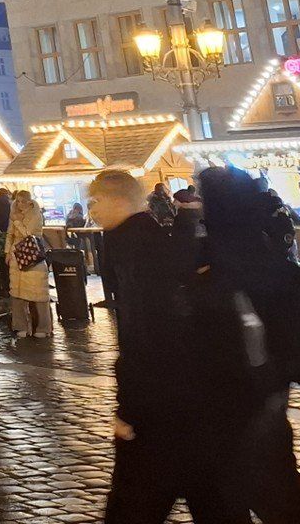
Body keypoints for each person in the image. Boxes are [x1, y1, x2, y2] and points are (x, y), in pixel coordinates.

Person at [89, 168, 236, 523]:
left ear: (119, 200)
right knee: (210, 497)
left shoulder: (136, 245)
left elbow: (147, 330)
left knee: (135, 505)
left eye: (95, 201)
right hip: (183, 400)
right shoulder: (140, 239)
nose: (90, 209)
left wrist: (130, 408)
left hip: (160, 406)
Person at [194, 166, 300, 522]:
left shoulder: (208, 260)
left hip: (227, 408)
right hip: (270, 400)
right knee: (284, 496)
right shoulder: (268, 253)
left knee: (238, 497)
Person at [6, 188, 51, 339]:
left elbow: (28, 233)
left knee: (38, 293)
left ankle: (43, 327)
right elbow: (9, 234)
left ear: (29, 201)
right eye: (17, 201)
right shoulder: (13, 214)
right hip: (16, 255)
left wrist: (17, 220)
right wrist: (7, 252)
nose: (20, 204)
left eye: (23, 201)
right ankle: (20, 326)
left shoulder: (36, 214)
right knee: (17, 293)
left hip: (32, 255)